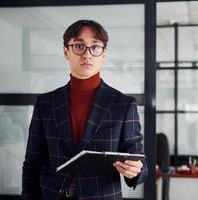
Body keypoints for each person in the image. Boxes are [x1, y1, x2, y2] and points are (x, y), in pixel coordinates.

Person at [22, 19, 147, 200]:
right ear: (66, 52)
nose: (87, 55)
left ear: (103, 54)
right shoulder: (45, 103)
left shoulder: (123, 104)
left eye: (95, 47)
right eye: (79, 46)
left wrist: (136, 170)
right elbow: (32, 163)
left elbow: (140, 162)